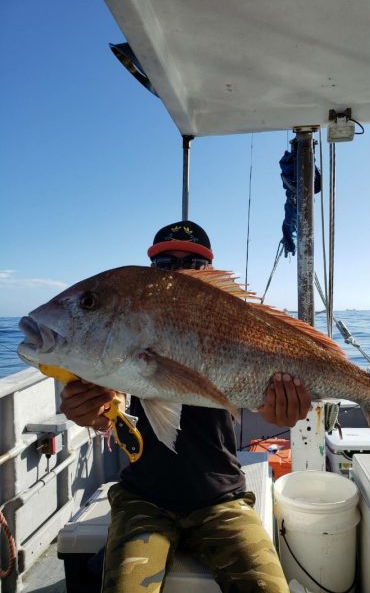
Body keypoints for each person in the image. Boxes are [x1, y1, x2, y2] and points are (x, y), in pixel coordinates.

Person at [60, 220, 312, 593]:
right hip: (143, 500)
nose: (178, 270)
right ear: (151, 273)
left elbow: (262, 398)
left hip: (221, 499)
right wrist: (91, 413)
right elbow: (110, 405)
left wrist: (282, 413)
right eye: (165, 264)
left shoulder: (232, 322)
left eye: (192, 264)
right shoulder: (126, 335)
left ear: (208, 272)